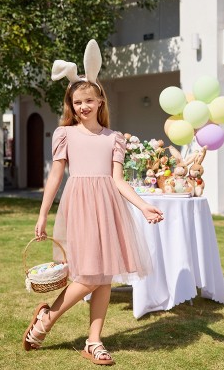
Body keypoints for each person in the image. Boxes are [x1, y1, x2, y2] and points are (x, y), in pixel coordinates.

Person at [22, 40, 164, 366]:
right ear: (71, 106)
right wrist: (42, 215)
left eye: (89, 100)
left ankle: (94, 341)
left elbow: (118, 180)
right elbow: (55, 177)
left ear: (100, 100)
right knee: (88, 275)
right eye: (77, 102)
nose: (83, 106)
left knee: (105, 275)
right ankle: (46, 319)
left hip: (108, 207)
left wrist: (143, 206)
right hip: (80, 206)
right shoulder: (65, 134)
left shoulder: (114, 138)